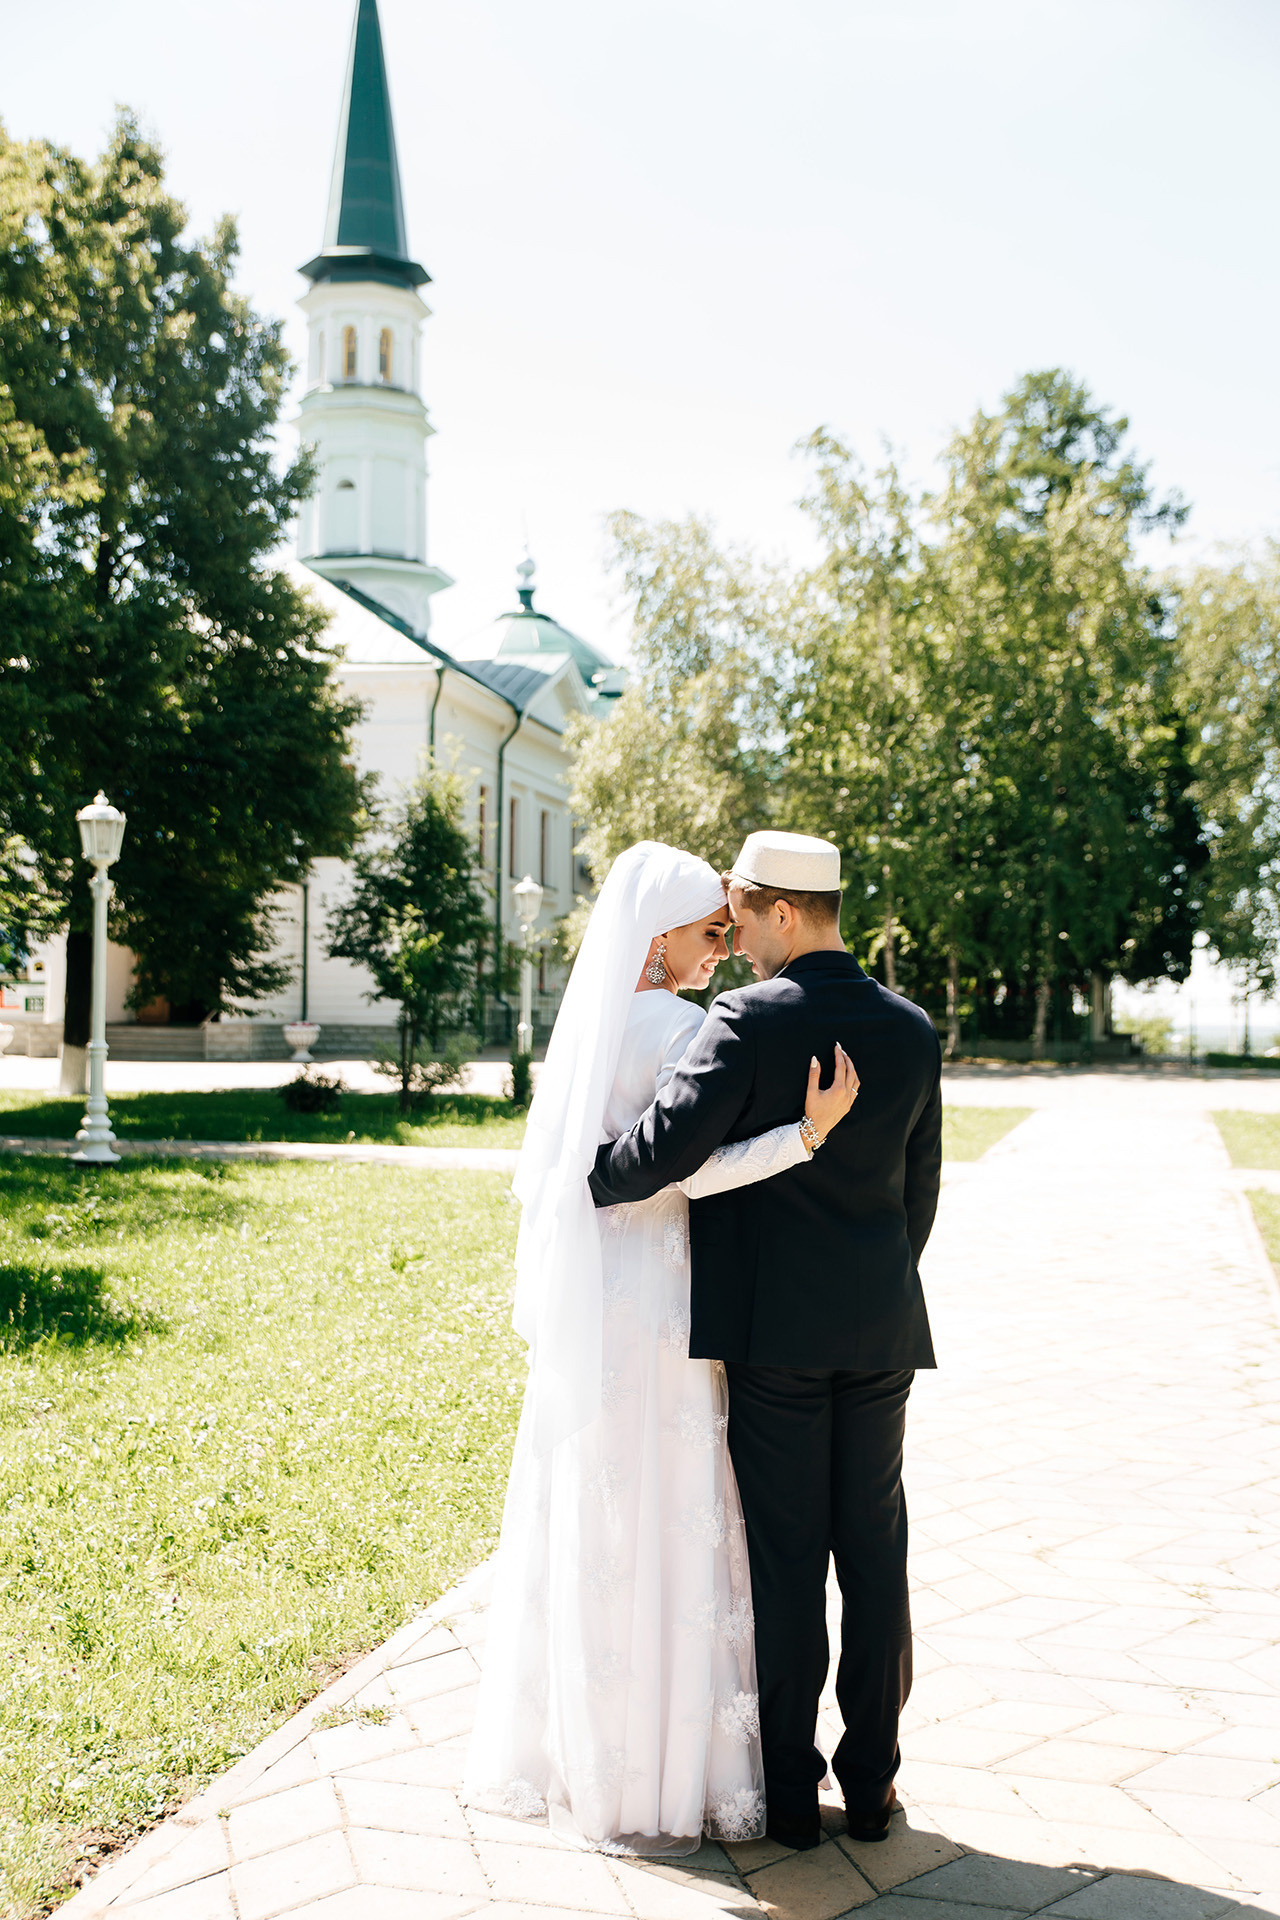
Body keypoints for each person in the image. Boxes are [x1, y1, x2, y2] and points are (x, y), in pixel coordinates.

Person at [463, 841, 857, 1855]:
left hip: (594, 1289)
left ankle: (586, 1750)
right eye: (707, 933)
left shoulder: (588, 1036)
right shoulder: (683, 1027)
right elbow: (687, 1166)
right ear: (658, 936)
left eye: (726, 933)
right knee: (670, 1494)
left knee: (597, 1496)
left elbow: (587, 1166)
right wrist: (800, 1139)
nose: (720, 951)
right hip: (658, 1287)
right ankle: (666, 1759)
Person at [588, 830, 942, 1851]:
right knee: (875, 1556)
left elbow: (665, 1151)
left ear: (781, 911)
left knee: (787, 1562)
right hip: (879, 1333)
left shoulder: (744, 1020)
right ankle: (870, 1786)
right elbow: (917, 1194)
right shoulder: (911, 1029)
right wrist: (869, 1285)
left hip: (773, 1338)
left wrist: (588, 1176)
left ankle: (789, 1798)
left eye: (739, 915)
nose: (733, 938)